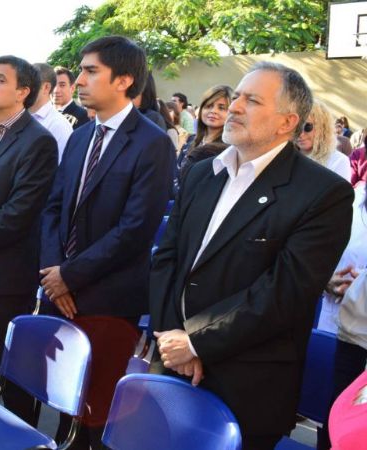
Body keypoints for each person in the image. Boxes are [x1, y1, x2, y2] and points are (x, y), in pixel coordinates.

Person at [150, 62, 354, 450]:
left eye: (252, 100)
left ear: (286, 122)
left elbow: (284, 293)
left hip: (246, 385)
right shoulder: (202, 173)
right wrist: (171, 342)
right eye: (237, 97)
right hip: (172, 362)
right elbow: (167, 261)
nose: (235, 106)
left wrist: (197, 343)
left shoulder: (324, 194)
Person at [39, 36, 174, 448]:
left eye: (91, 70)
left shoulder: (152, 143)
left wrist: (70, 277)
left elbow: (135, 230)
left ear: (124, 80)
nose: (79, 79)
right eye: (81, 69)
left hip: (108, 300)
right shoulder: (81, 135)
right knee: (63, 405)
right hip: (60, 295)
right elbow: (53, 208)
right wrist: (52, 275)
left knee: (96, 420)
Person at [0, 55, 58, 425]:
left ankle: (19, 438)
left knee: (12, 375)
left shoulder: (38, 141)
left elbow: (18, 214)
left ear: (23, 91)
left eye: (0, 80)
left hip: (6, 279)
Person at [315, 185, 367, 450]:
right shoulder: (349, 199)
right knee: (336, 426)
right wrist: (326, 281)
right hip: (352, 334)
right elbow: (316, 258)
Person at [176, 85, 233, 190]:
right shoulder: (190, 140)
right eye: (209, 106)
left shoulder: (230, 150)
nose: (213, 111)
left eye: (221, 108)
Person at [295, 99, 351, 181]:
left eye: (307, 126)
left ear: (322, 128)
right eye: (296, 127)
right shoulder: (285, 155)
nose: (300, 134)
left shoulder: (338, 161)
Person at [30, 62, 73, 161]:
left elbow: (61, 168)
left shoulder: (59, 125)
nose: (24, 89)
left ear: (46, 87)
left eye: (30, 83)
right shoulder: (18, 118)